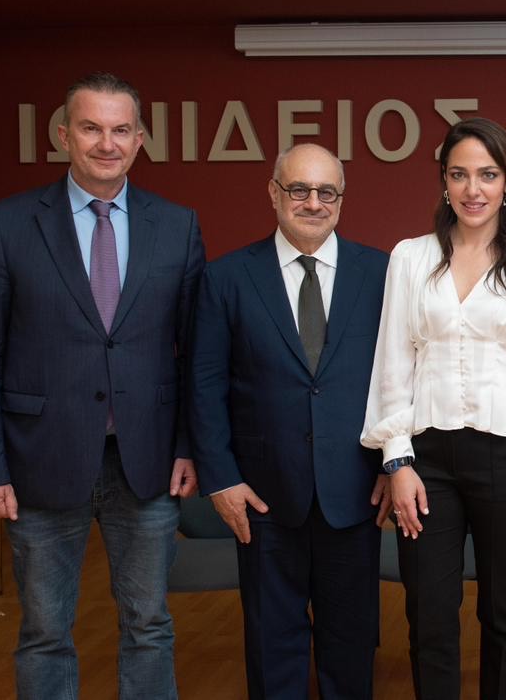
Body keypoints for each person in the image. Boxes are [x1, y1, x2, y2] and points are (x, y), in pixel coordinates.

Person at [0, 72, 204, 699]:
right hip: (39, 459)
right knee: (44, 631)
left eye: (121, 130)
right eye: (91, 128)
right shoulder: (7, 224)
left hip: (146, 462)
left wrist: (187, 446)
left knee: (149, 625)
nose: (106, 143)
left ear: (140, 139)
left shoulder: (177, 226)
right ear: (64, 135)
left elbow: (195, 354)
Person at [362, 117, 506, 700]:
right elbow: (392, 363)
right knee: (429, 613)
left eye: (488, 175)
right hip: (426, 460)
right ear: (443, 182)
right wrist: (396, 460)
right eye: (459, 174)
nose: (473, 189)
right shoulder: (410, 258)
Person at [188, 143, 389, 699]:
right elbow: (204, 385)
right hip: (262, 495)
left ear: (341, 200)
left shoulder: (381, 273)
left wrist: (392, 465)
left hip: (356, 490)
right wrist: (221, 480)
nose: (313, 203)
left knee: (351, 644)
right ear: (273, 193)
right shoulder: (226, 277)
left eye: (327, 192)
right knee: (272, 643)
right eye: (299, 189)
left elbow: (403, 378)